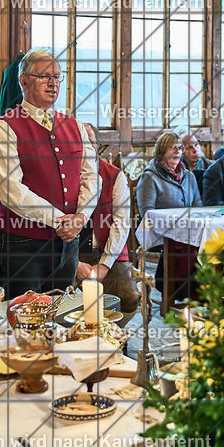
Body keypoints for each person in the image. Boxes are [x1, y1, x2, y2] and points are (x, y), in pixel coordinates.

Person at [0, 48, 99, 297]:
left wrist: (81, 217)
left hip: (68, 244)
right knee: (24, 315)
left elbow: (91, 177)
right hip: (23, 245)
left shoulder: (76, 126)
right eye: (45, 76)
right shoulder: (4, 128)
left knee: (63, 310)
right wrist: (60, 220)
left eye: (57, 77)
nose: (53, 83)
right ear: (24, 80)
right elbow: (11, 190)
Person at [77, 124, 138, 323]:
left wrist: (104, 265)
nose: (85, 147)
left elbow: (121, 224)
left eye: (90, 142)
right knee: (64, 302)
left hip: (108, 250)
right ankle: (78, 335)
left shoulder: (115, 176)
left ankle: (111, 333)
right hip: (72, 254)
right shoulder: (60, 176)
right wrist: (74, 263)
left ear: (98, 145)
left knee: (129, 298)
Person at [137, 132, 202, 304]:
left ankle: (206, 294)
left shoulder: (189, 176)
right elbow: (147, 214)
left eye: (180, 148)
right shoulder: (150, 177)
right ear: (161, 151)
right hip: (161, 234)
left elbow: (198, 206)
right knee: (186, 247)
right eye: (172, 148)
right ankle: (178, 293)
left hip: (188, 231)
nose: (177, 152)